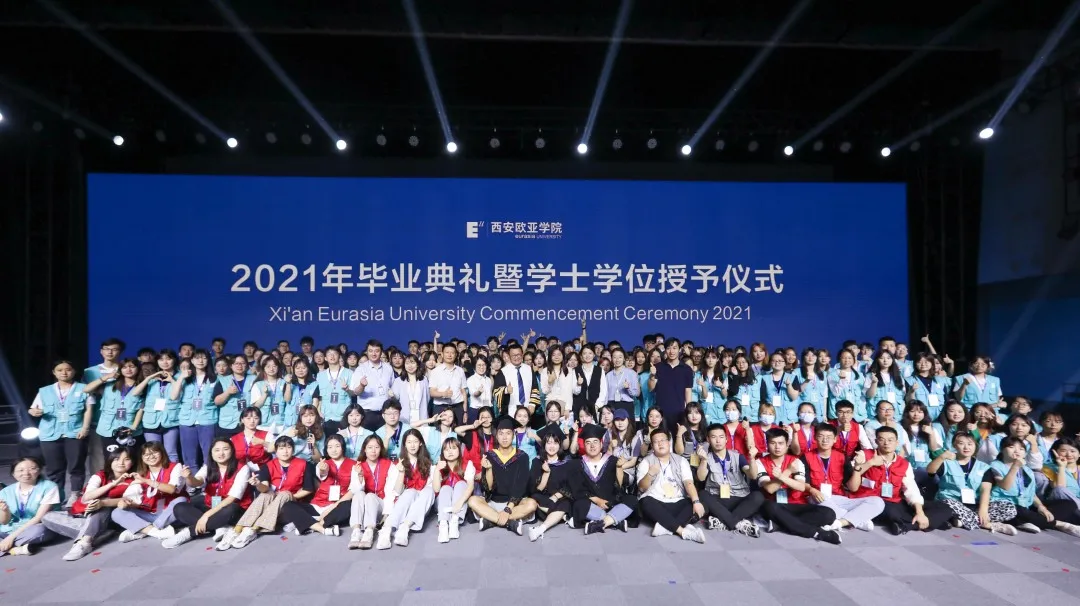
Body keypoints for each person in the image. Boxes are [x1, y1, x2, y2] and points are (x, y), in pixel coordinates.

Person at [848, 426, 952, 535]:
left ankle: (909, 525)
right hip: (870, 502)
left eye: (890, 440)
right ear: (876, 441)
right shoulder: (864, 455)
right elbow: (851, 482)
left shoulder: (904, 464)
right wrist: (870, 463)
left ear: (897, 443)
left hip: (894, 501)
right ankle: (933, 522)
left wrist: (920, 512)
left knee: (944, 508)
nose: (886, 443)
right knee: (892, 512)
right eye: (882, 439)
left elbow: (911, 489)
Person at [220, 436, 316, 550]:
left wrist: (289, 496)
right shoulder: (269, 465)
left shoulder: (303, 464)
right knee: (266, 494)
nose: (285, 451)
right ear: (276, 450)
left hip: (292, 504)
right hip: (272, 504)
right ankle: (237, 530)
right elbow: (264, 488)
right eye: (281, 448)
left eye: (288, 447)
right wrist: (257, 484)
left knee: (284, 494)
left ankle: (253, 530)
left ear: (293, 450)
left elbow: (308, 489)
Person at [42, 447, 135, 561]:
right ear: (110, 461)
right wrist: (113, 484)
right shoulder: (100, 475)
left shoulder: (134, 479)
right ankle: (99, 533)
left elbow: (130, 500)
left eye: (126, 459)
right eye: (116, 459)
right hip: (84, 514)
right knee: (47, 516)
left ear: (132, 462)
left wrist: (103, 502)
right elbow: (86, 497)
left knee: (102, 504)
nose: (121, 463)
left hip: (109, 516)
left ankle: (85, 542)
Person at [162, 437, 252, 548]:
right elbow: (196, 482)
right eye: (217, 450)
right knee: (179, 508)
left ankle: (189, 532)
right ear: (211, 453)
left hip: (233, 507)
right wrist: (189, 477)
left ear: (232, 451)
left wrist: (206, 516)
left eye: (225, 449)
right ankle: (219, 526)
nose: (221, 453)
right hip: (213, 504)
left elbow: (232, 498)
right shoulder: (208, 467)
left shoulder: (243, 468)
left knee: (231, 509)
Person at [756, 428, 841, 544]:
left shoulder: (796, 462)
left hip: (796, 504)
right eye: (773, 443)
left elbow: (801, 487)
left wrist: (781, 476)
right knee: (768, 506)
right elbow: (770, 489)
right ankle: (815, 532)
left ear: (787, 444)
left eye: (781, 443)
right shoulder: (760, 462)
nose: (777, 447)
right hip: (775, 505)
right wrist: (788, 471)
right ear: (767, 444)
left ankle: (780, 524)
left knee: (829, 513)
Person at [29, 359, 92, 506]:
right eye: (59, 370)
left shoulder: (84, 388)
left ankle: (75, 495)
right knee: (54, 468)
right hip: (50, 433)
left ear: (74, 371)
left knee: (76, 466)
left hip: (75, 432)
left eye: (68, 369)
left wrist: (85, 428)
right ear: (54, 372)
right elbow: (33, 408)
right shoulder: (44, 391)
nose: (64, 373)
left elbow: (88, 409)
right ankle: (56, 496)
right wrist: (33, 412)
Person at [467, 416, 537, 535]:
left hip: (514, 504)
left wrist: (508, 509)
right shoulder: (489, 455)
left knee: (532, 504)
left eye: (508, 433)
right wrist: (488, 469)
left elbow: (521, 486)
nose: (504, 437)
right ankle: (509, 522)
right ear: (496, 436)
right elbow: (488, 488)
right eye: (501, 433)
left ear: (513, 435)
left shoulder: (522, 456)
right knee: (472, 500)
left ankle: (492, 520)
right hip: (493, 502)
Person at [806, 424, 883, 532]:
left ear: (835, 439)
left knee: (878, 502)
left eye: (829, 437)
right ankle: (859, 520)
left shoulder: (841, 457)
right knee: (820, 501)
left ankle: (841, 522)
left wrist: (857, 467)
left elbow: (853, 488)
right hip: (817, 497)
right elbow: (803, 483)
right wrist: (812, 490)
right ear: (815, 438)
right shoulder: (806, 457)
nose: (825, 440)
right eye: (821, 436)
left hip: (839, 498)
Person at [636, 427, 707, 543]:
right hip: (656, 503)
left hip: (677, 501)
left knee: (696, 501)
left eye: (663, 440)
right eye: (656, 442)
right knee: (645, 501)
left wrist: (696, 502)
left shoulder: (681, 460)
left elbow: (688, 483)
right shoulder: (646, 461)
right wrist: (650, 474)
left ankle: (665, 528)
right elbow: (642, 488)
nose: (660, 443)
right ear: (652, 446)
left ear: (669, 442)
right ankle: (683, 531)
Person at [694, 423, 763, 536]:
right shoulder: (707, 457)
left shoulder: (737, 456)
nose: (718, 441)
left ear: (726, 439)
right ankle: (738, 523)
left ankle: (724, 521)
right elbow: (701, 477)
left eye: (721, 437)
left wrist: (752, 459)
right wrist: (704, 460)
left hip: (739, 498)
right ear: (708, 440)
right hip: (718, 499)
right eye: (713, 437)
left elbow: (753, 475)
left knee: (758, 496)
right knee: (702, 494)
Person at [110, 441, 186, 543]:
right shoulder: (141, 474)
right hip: (149, 514)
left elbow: (171, 489)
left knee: (181, 500)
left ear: (162, 452)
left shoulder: (175, 466)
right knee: (117, 512)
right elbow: (135, 502)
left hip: (170, 515)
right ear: (142, 458)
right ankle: (155, 531)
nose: (150, 456)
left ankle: (142, 530)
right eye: (146, 454)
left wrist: (146, 481)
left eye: (154, 452)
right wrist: (125, 503)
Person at [279, 434, 353, 538]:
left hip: (336, 506)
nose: (334, 450)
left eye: (337, 446)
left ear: (343, 447)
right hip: (318, 505)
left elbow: (354, 490)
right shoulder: (323, 464)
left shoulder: (354, 464)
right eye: (330, 447)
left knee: (349, 506)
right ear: (326, 449)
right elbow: (322, 473)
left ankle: (309, 524)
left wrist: (331, 508)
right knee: (288, 506)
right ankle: (321, 528)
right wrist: (323, 469)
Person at [380, 429, 436, 549]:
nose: (412, 445)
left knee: (429, 490)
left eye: (415, 441)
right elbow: (396, 492)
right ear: (404, 444)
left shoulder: (428, 464)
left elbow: (429, 491)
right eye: (409, 442)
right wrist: (401, 473)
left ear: (420, 443)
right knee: (411, 492)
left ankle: (405, 528)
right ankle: (387, 530)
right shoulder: (397, 464)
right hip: (403, 502)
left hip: (419, 506)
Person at [0, 457, 59, 557]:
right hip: (10, 528)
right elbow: (4, 522)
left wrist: (10, 538)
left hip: (35, 527)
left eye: (32, 468)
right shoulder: (5, 492)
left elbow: (38, 518)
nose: (26, 473)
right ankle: (14, 549)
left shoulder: (49, 487)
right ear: (13, 474)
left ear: (39, 470)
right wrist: (5, 511)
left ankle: (6, 546)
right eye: (21, 470)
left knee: (41, 531)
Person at [348, 435, 399, 550]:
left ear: (381, 449)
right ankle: (356, 531)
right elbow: (355, 490)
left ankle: (369, 531)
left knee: (370, 496)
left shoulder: (388, 464)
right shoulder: (357, 466)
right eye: (370, 447)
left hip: (381, 505)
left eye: (376, 447)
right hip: (364, 509)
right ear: (364, 449)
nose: (373, 451)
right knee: (359, 494)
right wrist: (360, 476)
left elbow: (391, 491)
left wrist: (387, 514)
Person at [527, 424, 574, 541]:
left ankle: (540, 529)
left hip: (559, 499)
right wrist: (546, 473)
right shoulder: (537, 462)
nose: (552, 446)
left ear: (559, 445)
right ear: (544, 445)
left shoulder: (566, 463)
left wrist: (556, 496)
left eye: (555, 443)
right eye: (548, 443)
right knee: (535, 499)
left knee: (566, 502)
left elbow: (570, 486)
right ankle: (563, 516)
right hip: (542, 498)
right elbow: (535, 489)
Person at [434, 437, 475, 543]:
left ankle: (454, 522)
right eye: (446, 449)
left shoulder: (467, 463)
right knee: (445, 488)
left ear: (459, 449)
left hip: (460, 502)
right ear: (443, 452)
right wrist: (437, 470)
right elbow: (436, 489)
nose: (450, 452)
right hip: (443, 502)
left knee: (461, 484)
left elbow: (470, 487)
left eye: (453, 448)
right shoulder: (440, 466)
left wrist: (459, 503)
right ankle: (443, 525)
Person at [648, 339, 694, 431]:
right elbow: (651, 389)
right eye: (668, 348)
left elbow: (688, 391)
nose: (671, 351)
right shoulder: (658, 367)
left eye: (674, 348)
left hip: (679, 412)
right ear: (665, 350)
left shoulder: (687, 369)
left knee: (678, 437)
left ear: (679, 349)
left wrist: (688, 411)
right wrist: (652, 375)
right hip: (661, 413)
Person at [348, 340, 395, 431]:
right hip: (367, 414)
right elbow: (356, 392)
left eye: (377, 351)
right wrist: (362, 385)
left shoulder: (388, 368)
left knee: (385, 439)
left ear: (381, 352)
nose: (373, 354)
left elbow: (392, 387)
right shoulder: (361, 369)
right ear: (367, 352)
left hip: (385, 413)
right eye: (370, 351)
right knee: (366, 439)